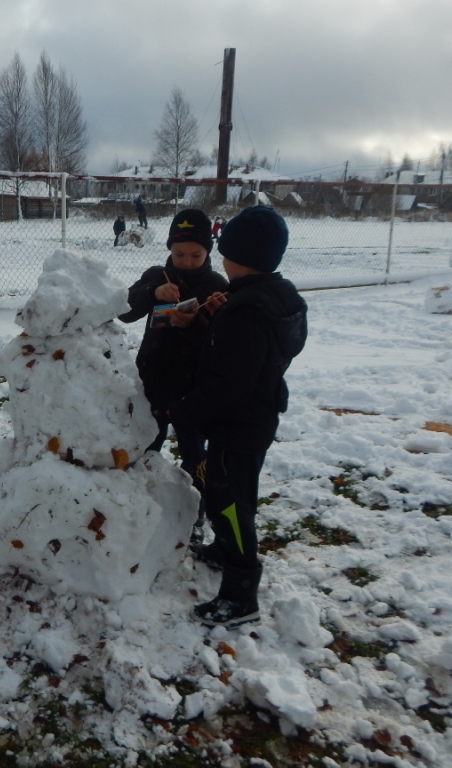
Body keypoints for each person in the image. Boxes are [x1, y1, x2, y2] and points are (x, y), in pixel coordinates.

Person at [175, 206, 307, 628]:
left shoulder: (247, 310)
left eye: (224, 252)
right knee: (234, 496)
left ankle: (240, 594)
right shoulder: (277, 296)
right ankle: (222, 550)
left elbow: (230, 382)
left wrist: (185, 410)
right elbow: (262, 352)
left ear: (237, 257)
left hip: (238, 425)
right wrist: (221, 317)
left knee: (230, 505)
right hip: (258, 418)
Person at [118, 209, 228, 538]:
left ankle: (193, 512)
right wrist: (152, 295)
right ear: (169, 249)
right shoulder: (157, 275)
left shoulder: (216, 286)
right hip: (153, 380)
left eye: (196, 254)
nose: (187, 261)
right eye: (179, 254)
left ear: (208, 251)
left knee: (196, 454)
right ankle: (136, 501)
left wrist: (202, 321)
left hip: (193, 389)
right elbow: (125, 310)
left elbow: (222, 340)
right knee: (145, 444)